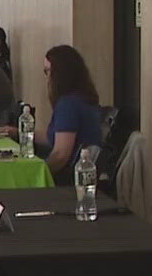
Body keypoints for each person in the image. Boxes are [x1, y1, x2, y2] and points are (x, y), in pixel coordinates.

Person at [38, 44, 105, 182]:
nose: (47, 78)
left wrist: (36, 173)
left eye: (48, 71)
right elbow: (55, 135)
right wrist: (20, 133)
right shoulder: (83, 99)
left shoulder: (69, 105)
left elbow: (61, 155)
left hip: (68, 179)